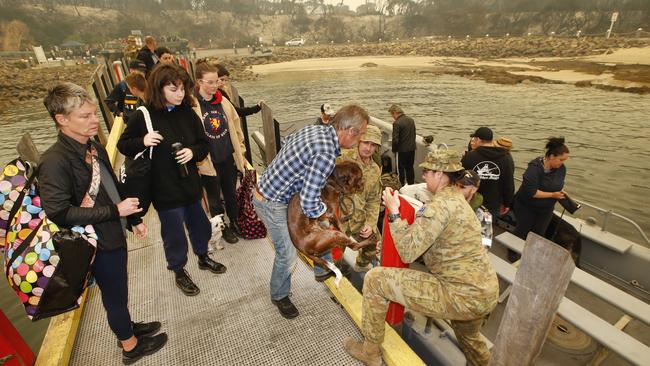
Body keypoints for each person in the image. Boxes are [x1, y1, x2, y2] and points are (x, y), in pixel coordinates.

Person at [40, 82, 167, 364]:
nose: (95, 120)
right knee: (114, 294)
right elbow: (59, 212)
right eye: (85, 116)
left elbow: (111, 187)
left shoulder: (93, 146)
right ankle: (130, 347)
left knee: (119, 290)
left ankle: (127, 327)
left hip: (112, 231)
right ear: (61, 119)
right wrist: (115, 211)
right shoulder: (54, 161)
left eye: (94, 113)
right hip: (95, 242)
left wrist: (132, 218)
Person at [344, 150, 499, 366]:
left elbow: (408, 251)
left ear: (440, 174)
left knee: (375, 279)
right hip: (484, 292)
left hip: (459, 294)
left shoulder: (440, 206)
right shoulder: (456, 200)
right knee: (470, 339)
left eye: (427, 171)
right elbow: (431, 240)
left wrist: (393, 211)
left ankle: (370, 352)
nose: (424, 175)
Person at [117, 64, 226, 297]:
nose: (180, 94)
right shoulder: (142, 115)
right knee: (174, 235)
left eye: (183, 89)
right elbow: (123, 145)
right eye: (174, 89)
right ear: (159, 87)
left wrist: (192, 153)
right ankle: (178, 270)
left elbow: (203, 144)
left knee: (200, 226)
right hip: (164, 190)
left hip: (191, 186)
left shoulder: (187, 111)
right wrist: (143, 140)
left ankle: (203, 257)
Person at [253, 105, 369, 319]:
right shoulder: (326, 152)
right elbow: (309, 203)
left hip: (275, 189)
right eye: (361, 134)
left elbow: (286, 143)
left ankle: (322, 270)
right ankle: (279, 295)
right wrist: (327, 214)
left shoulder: (316, 129)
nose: (359, 140)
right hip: (272, 201)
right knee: (287, 254)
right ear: (350, 131)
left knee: (320, 227)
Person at [193, 60, 246, 244]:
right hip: (209, 161)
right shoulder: (193, 105)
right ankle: (222, 227)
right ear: (199, 82)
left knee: (231, 193)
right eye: (210, 82)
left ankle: (235, 222)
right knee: (214, 199)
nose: (215, 85)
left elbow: (236, 125)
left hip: (227, 158)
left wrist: (241, 149)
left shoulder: (222, 101)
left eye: (216, 81)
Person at [337, 125, 382, 272]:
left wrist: (370, 223)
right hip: (339, 218)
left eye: (373, 145)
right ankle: (331, 275)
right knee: (333, 255)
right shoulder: (342, 158)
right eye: (365, 142)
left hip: (359, 219)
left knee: (375, 244)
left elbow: (374, 200)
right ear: (358, 141)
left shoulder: (375, 170)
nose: (368, 148)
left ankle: (361, 266)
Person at [513, 137, 570, 241]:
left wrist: (560, 192)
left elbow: (558, 184)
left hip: (546, 209)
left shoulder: (561, 168)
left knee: (539, 233)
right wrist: (553, 195)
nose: (562, 163)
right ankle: (513, 251)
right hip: (526, 206)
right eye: (561, 160)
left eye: (564, 160)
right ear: (552, 156)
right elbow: (532, 192)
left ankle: (532, 251)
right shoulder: (534, 169)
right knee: (522, 230)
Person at [461, 127, 514, 219]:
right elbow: (509, 183)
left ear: (478, 140)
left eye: (474, 139)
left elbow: (460, 179)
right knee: (487, 230)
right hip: (493, 205)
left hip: (471, 202)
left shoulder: (469, 157)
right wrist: (507, 203)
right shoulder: (506, 158)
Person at [388, 104, 416, 186]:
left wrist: (394, 150)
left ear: (394, 113)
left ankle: (401, 185)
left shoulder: (397, 123)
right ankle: (411, 184)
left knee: (400, 169)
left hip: (401, 151)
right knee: (410, 168)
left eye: (392, 115)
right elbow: (413, 134)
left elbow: (395, 140)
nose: (392, 117)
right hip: (411, 149)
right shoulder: (411, 120)